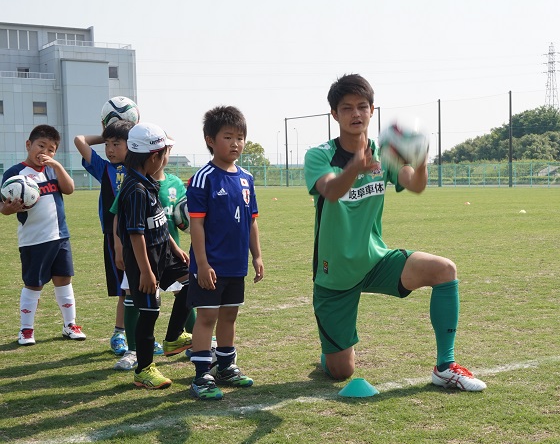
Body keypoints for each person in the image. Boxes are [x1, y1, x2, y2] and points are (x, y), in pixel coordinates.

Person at [304, 74, 486, 391]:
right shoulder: (319, 155)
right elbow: (331, 191)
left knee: (444, 270)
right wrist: (355, 167)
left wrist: (421, 160)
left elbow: (415, 184)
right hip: (335, 273)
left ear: (372, 110)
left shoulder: (384, 152)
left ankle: (445, 367)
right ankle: (332, 353)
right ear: (334, 114)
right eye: (346, 108)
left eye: (362, 106)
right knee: (341, 372)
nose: (356, 113)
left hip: (375, 260)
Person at [186, 105, 263, 400]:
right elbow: (196, 225)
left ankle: (226, 367)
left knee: (230, 315)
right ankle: (201, 375)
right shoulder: (203, 178)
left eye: (240, 138)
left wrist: (256, 256)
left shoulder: (246, 178)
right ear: (210, 140)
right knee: (207, 317)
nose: (235, 144)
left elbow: (252, 221)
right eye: (228, 137)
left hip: (235, 264)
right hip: (210, 265)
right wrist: (202, 264)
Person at [74, 121, 163, 360]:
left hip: (143, 235)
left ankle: (144, 336)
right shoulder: (103, 168)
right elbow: (79, 140)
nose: (110, 149)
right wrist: (106, 135)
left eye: (116, 144)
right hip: (116, 238)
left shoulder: (141, 169)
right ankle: (120, 334)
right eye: (107, 144)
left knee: (144, 287)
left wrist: (133, 135)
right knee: (125, 289)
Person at [116, 122, 192, 389]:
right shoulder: (135, 190)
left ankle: (173, 338)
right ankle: (144, 369)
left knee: (191, 282)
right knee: (149, 314)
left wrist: (174, 246)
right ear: (153, 157)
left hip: (164, 252)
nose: (165, 159)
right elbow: (136, 235)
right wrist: (147, 272)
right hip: (144, 262)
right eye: (164, 154)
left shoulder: (147, 181)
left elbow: (158, 221)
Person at [1, 125, 87, 345]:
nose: (45, 152)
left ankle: (70, 325)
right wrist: (8, 209)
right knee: (33, 284)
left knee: (64, 280)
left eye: (51, 150)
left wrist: (57, 166)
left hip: (60, 236)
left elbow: (69, 189)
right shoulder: (14, 173)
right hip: (34, 239)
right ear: (28, 145)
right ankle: (26, 329)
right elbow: (3, 206)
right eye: (41, 146)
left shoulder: (51, 170)